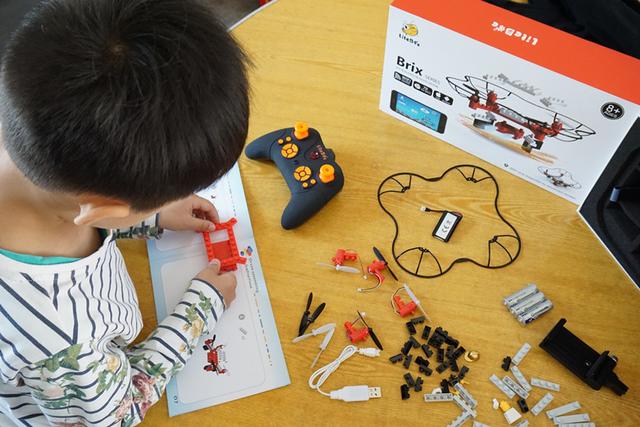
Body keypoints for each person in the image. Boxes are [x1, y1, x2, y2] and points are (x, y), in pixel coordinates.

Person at [0, 0, 249, 425]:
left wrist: (151, 213)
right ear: (103, 208)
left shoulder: (30, 143)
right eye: (158, 199)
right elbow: (116, 414)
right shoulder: (63, 340)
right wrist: (199, 312)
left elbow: (75, 196)